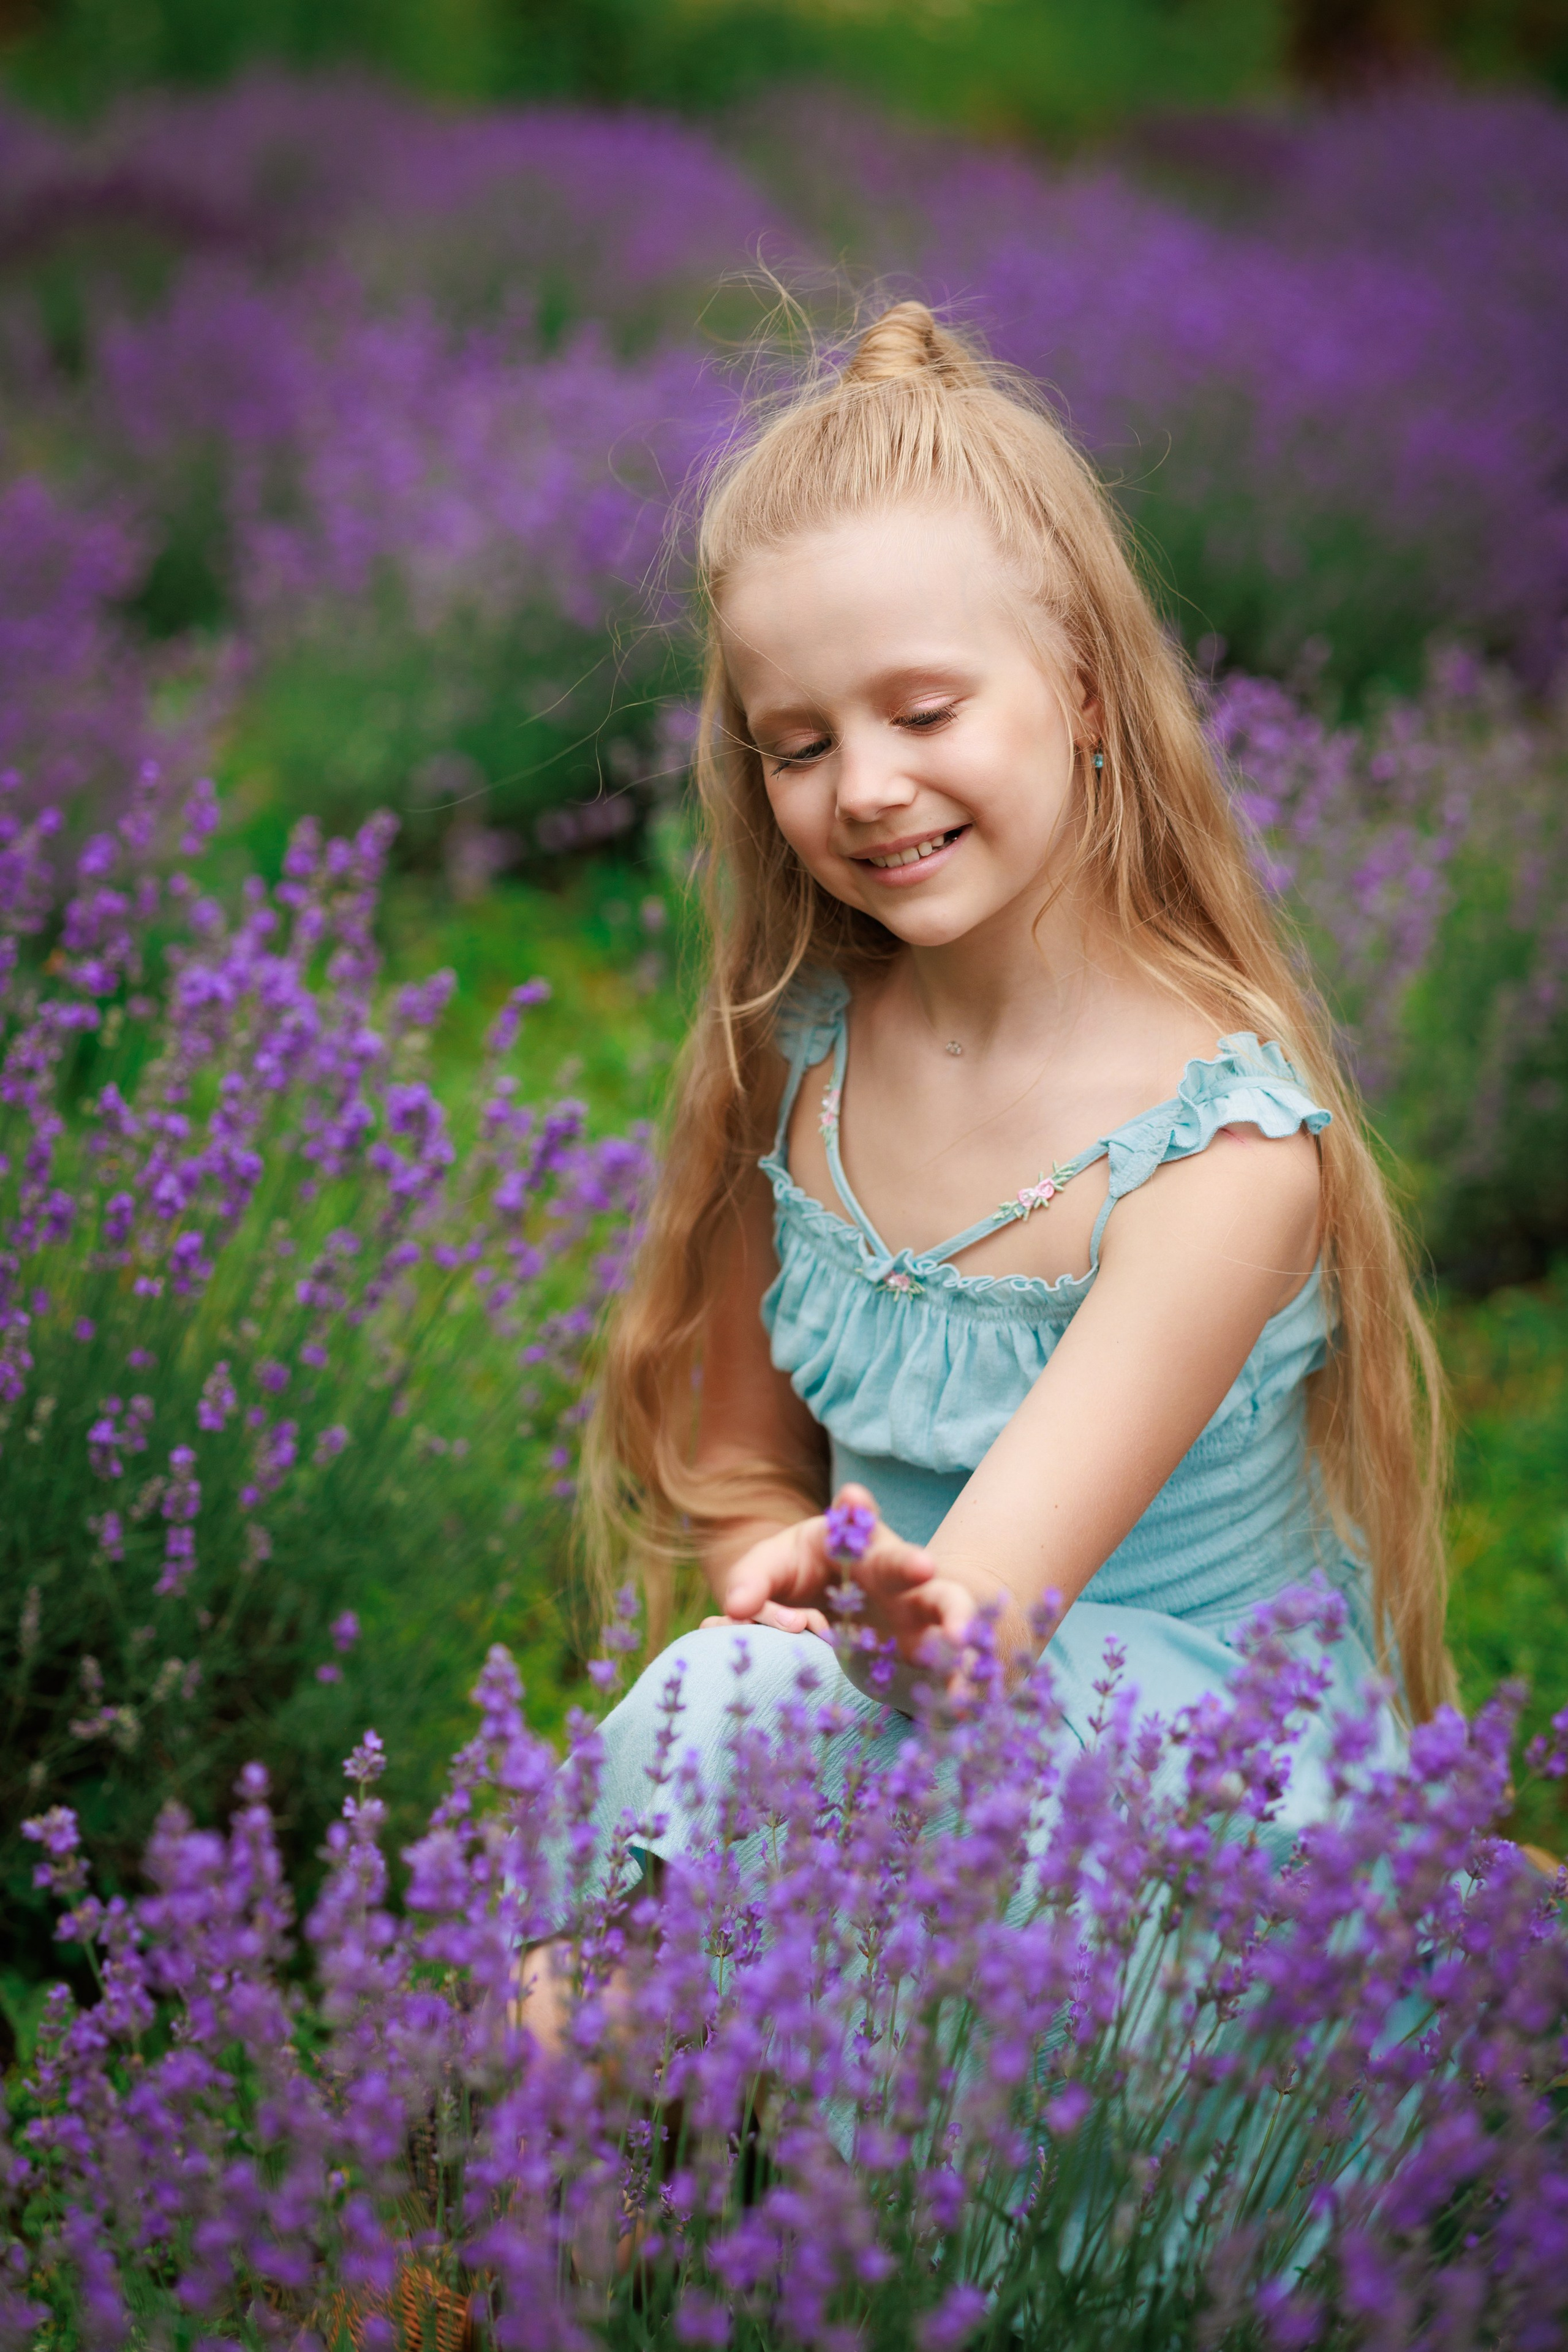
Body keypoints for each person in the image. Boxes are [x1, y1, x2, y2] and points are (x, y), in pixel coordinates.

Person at [573, 298, 1447, 1879]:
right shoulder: (803, 1053)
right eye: (796, 744)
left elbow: (969, 1637)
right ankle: (544, 2109)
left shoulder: (1216, 1155)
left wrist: (860, 1625)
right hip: (891, 1715)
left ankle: (579, 2103)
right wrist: (770, 1551)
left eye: (922, 712)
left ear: (1087, 690)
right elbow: (742, 1466)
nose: (867, 787)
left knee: (719, 1732)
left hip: (1189, 1784)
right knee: (713, 1725)